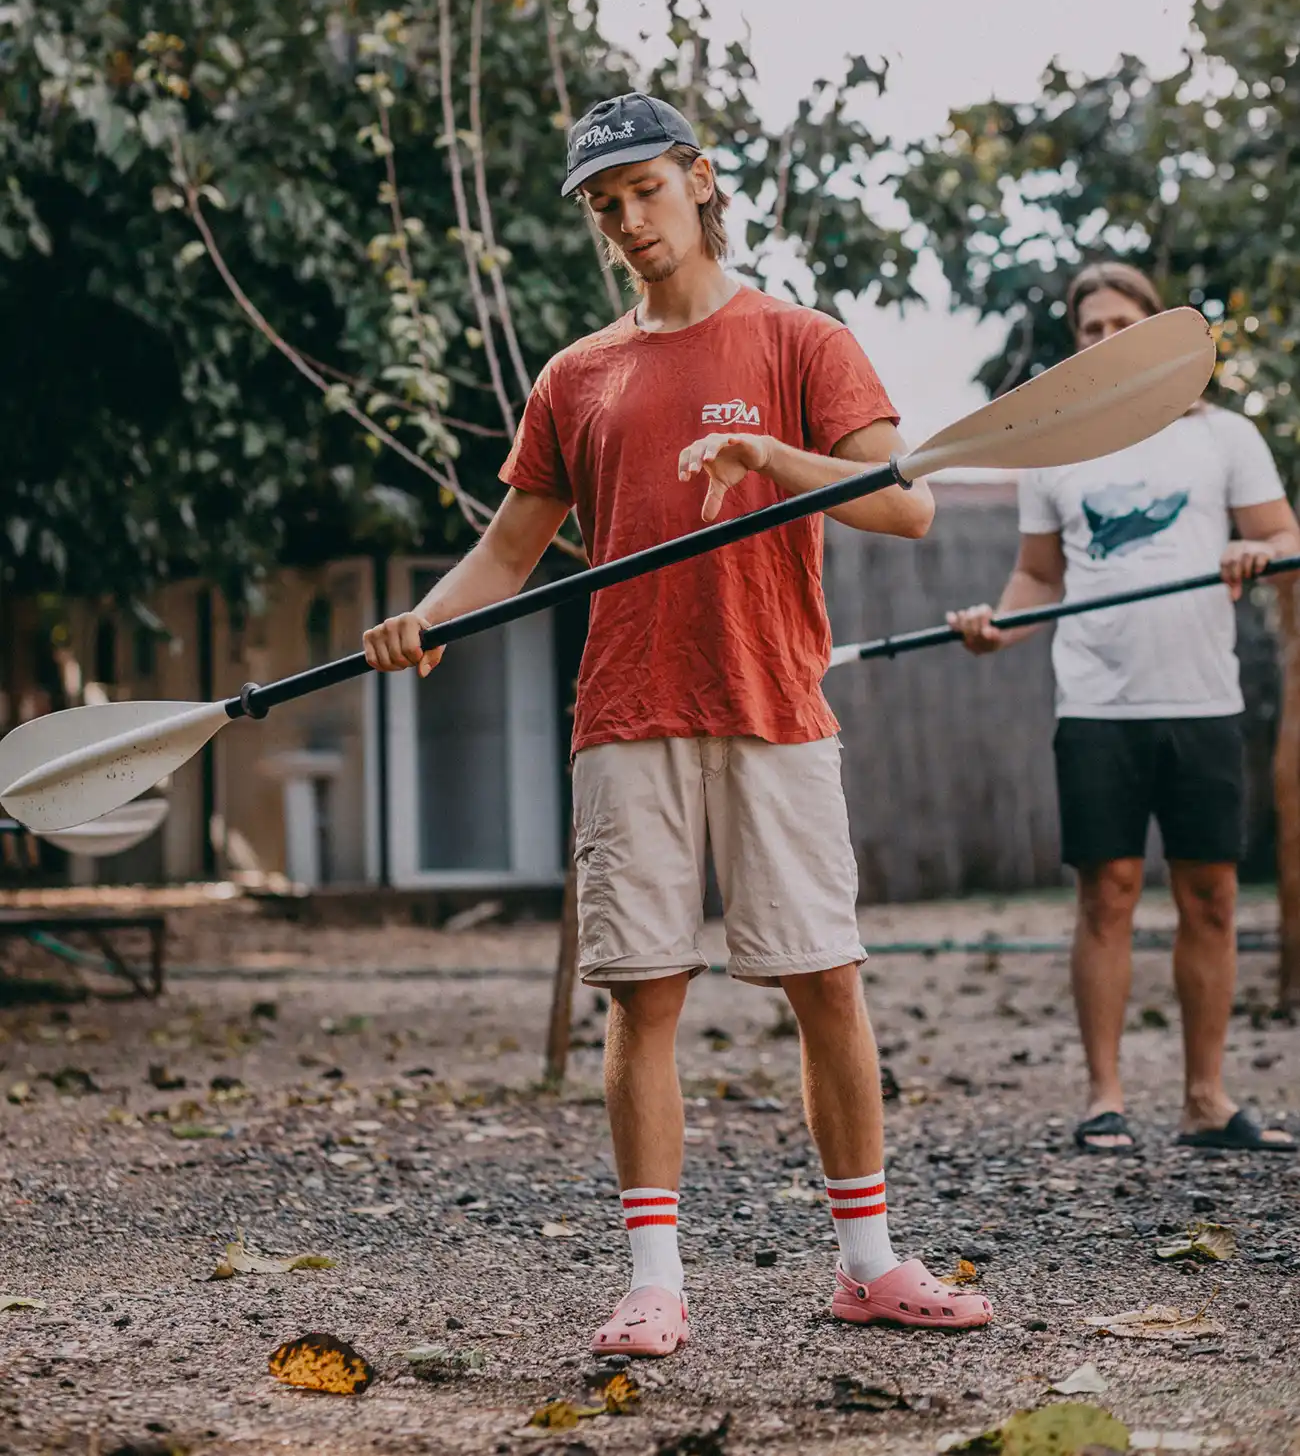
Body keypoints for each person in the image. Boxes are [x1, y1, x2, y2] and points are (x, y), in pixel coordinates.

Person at [364, 92, 993, 1351]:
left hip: (772, 704)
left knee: (825, 981)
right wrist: (418, 621)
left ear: (700, 180)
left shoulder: (799, 339)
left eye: (646, 190)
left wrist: (772, 458)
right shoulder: (576, 377)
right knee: (642, 995)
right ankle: (654, 1278)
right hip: (628, 713)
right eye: (606, 206)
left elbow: (904, 506)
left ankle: (866, 1261)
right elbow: (506, 550)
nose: (629, 221)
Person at [948, 261, 1299, 1156]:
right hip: (1098, 704)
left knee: (1212, 899)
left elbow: (1283, 533)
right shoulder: (1055, 450)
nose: (1104, 342)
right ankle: (1104, 1098)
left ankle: (1205, 1102)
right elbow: (1037, 578)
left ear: (1157, 338)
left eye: (1121, 328)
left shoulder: (1226, 438)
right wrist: (998, 626)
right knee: (1106, 898)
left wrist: (1251, 553)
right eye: (1089, 331)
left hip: (1203, 701)